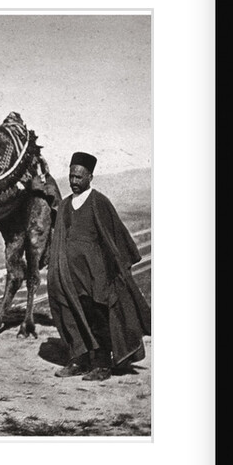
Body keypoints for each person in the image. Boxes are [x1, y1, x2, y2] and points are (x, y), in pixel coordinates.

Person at [47, 152, 151, 381]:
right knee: (74, 315)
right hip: (72, 275)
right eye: (71, 176)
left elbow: (114, 235)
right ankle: (79, 361)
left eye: (79, 177)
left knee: (99, 317)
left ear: (90, 177)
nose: (74, 182)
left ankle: (102, 365)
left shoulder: (98, 201)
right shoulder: (65, 205)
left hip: (96, 275)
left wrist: (116, 270)